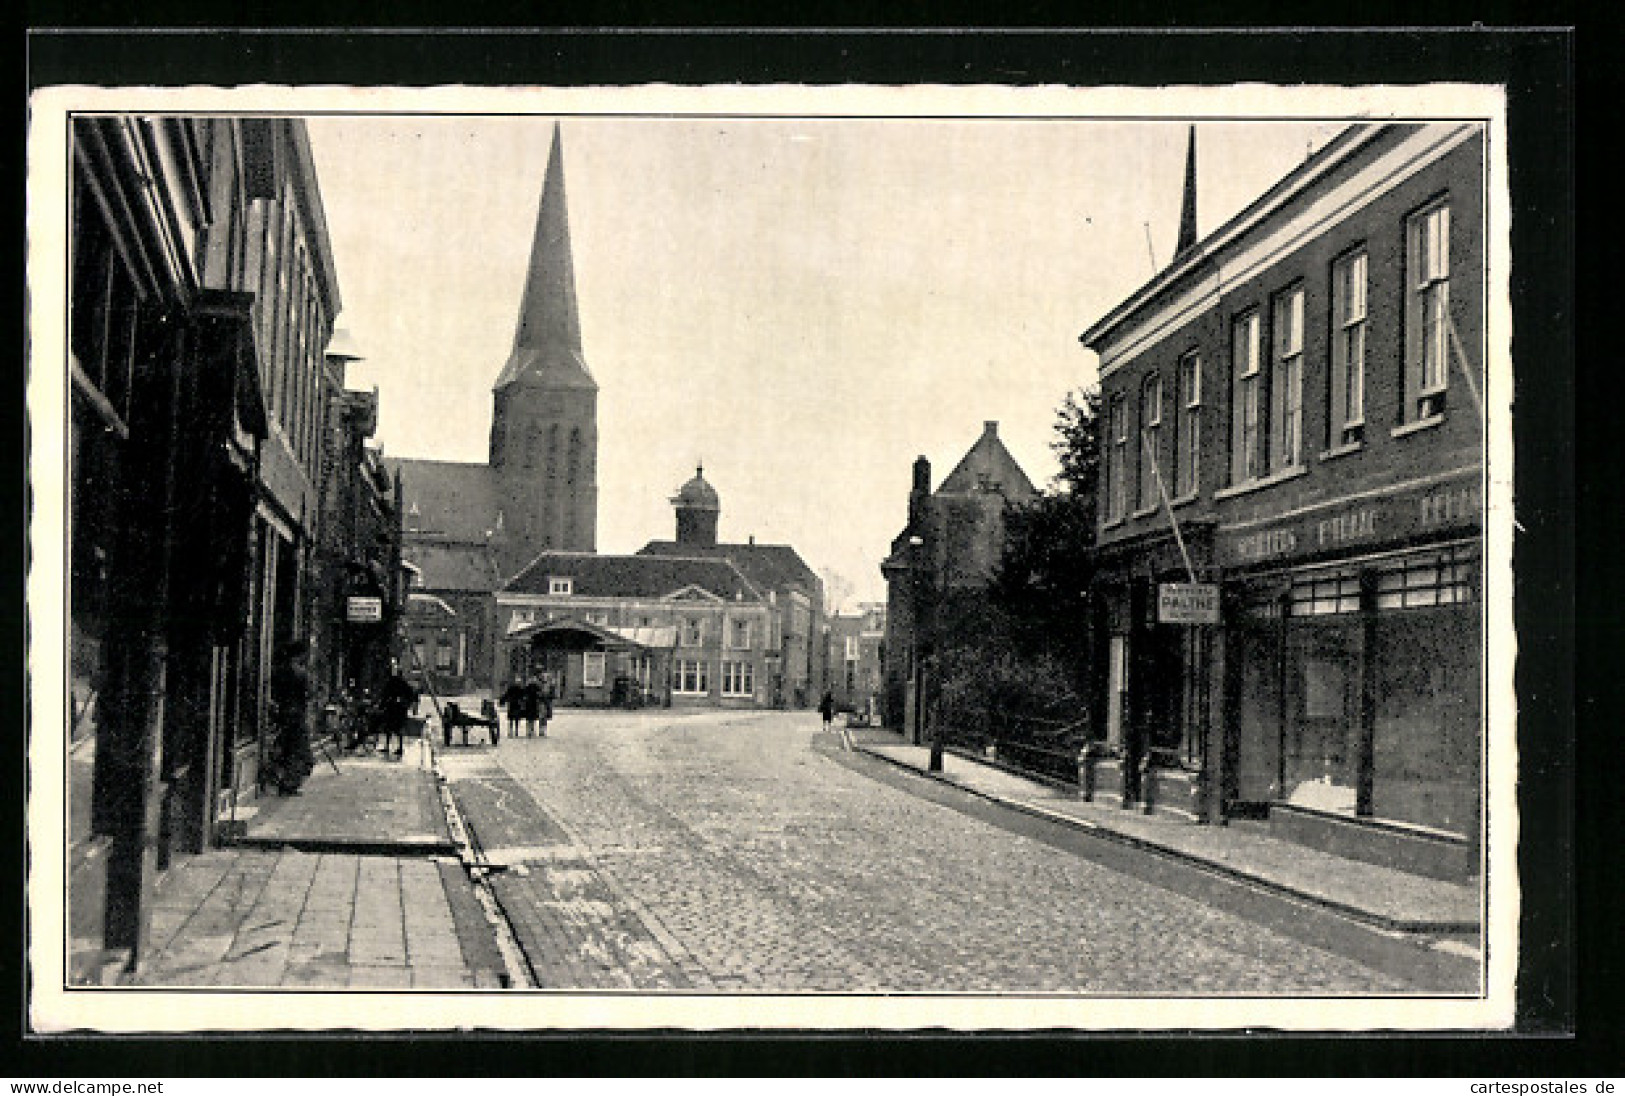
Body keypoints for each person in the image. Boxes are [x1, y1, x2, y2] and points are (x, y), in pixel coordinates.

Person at [270, 641, 314, 794]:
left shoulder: (279, 671)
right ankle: (290, 783)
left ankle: (284, 780)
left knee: (287, 749)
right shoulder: (301, 673)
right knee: (299, 751)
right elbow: (306, 695)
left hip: (283, 714)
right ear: (300, 655)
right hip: (296, 716)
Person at [379, 663, 418, 759]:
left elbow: (410, 695)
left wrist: (405, 703)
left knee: (396, 728)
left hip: (398, 709)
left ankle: (398, 747)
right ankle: (389, 746)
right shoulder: (393, 683)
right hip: (393, 708)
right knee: (390, 728)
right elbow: (385, 695)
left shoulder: (401, 683)